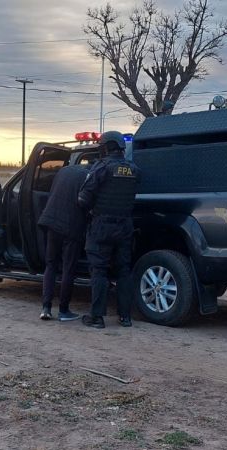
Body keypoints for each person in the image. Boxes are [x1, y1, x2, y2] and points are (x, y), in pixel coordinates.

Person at [78, 131, 140, 328]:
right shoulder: (134, 169)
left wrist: (89, 211)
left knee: (99, 271)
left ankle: (97, 317)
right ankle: (125, 317)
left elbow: (83, 199)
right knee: (123, 271)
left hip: (102, 226)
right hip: (124, 227)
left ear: (105, 147)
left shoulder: (102, 168)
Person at [37, 162, 90, 322]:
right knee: (68, 268)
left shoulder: (63, 171)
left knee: (51, 264)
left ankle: (45, 308)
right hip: (72, 227)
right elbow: (86, 202)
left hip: (51, 223)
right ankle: (63, 310)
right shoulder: (88, 176)